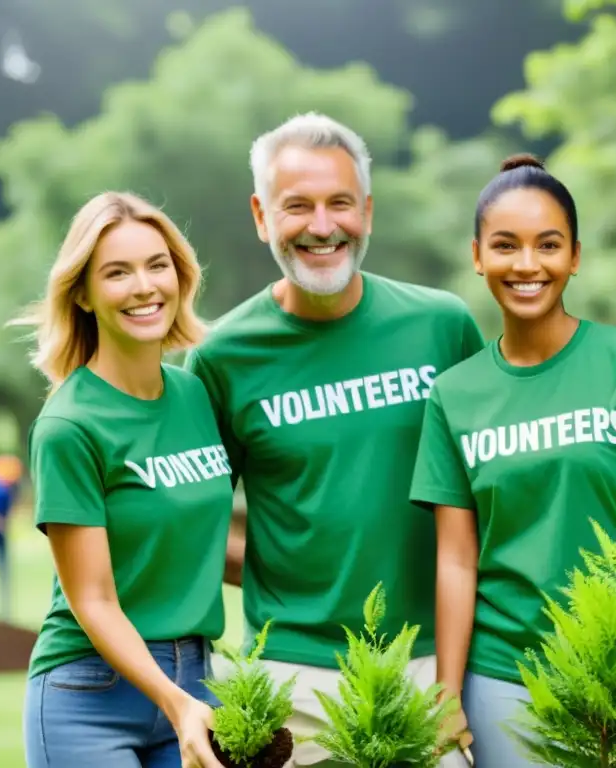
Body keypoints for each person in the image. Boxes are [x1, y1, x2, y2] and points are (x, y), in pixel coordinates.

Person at [183, 112, 484, 768]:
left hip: (431, 668)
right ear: (262, 217)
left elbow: (489, 490)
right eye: (298, 206)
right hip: (291, 679)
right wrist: (289, 574)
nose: (323, 226)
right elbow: (191, 524)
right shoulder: (220, 359)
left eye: (340, 203)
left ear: (368, 212)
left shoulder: (444, 326)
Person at [408, 154, 616, 767]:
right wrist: (447, 691)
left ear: (574, 255)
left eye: (547, 245)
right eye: (505, 245)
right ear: (477, 256)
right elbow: (458, 559)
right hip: (502, 679)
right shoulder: (454, 395)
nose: (526, 265)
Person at [13, 191, 231, 768]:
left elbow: (201, 546)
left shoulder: (194, 395)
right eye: (117, 272)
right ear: (82, 294)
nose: (144, 287)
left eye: (157, 265)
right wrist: (175, 702)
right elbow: (93, 599)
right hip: (90, 696)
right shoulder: (68, 425)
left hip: (196, 676)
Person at [0, 454, 24, 621]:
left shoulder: (1, 488)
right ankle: (5, 609)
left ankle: (5, 610)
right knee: (4, 569)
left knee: (4, 568)